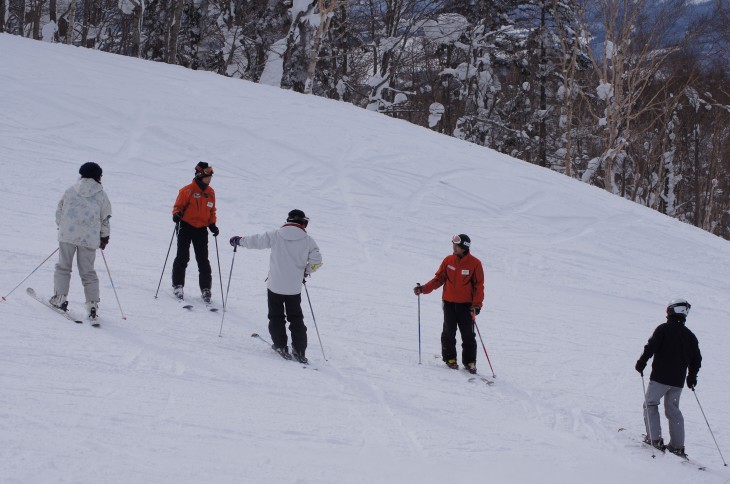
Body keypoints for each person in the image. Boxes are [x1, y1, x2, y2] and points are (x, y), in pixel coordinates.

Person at [230, 209, 323, 364]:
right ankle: (299, 350)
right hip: (294, 288)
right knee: (296, 318)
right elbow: (317, 260)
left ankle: (280, 345)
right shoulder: (308, 240)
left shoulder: (276, 234)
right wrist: (305, 272)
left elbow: (256, 241)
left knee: (276, 316)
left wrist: (239, 240)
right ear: (301, 222)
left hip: (275, 285)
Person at [635, 298, 702, 457]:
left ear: (672, 311)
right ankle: (677, 446)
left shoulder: (664, 329)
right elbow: (697, 359)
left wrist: (641, 362)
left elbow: (650, 347)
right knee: (673, 410)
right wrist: (691, 377)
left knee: (650, 404)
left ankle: (654, 439)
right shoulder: (690, 336)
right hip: (677, 382)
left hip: (660, 378)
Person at [50, 162, 112, 323]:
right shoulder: (101, 195)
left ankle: (60, 298)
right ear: (97, 176)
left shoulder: (70, 191)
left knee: (63, 267)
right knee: (88, 272)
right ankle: (92, 306)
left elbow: (59, 211)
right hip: (89, 239)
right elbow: (105, 218)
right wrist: (104, 237)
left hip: (67, 236)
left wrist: (62, 227)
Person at [414, 234, 484, 374]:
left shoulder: (475, 264)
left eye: (456, 245)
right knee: (448, 332)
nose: (453, 247)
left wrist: (477, 305)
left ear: (464, 247)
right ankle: (450, 358)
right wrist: (423, 289)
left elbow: (479, 286)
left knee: (468, 335)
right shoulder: (448, 260)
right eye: (453, 244)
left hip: (466, 306)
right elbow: (439, 279)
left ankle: (470, 362)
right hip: (449, 304)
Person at [171, 161, 219, 304]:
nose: (209, 179)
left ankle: (206, 289)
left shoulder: (210, 193)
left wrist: (212, 225)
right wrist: (177, 214)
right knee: (183, 256)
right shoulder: (187, 190)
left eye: (211, 176)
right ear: (199, 175)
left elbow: (212, 211)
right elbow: (177, 206)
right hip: (186, 226)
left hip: (201, 229)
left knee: (203, 260)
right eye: (207, 176)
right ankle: (178, 285)